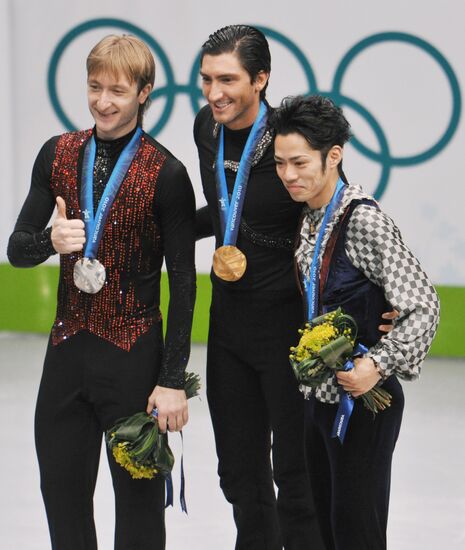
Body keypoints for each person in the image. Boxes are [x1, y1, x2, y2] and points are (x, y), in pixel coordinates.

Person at [194, 24, 395, 550]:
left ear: (261, 80)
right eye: (206, 79)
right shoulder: (206, 129)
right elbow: (224, 206)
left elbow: (339, 218)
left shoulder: (288, 144)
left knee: (297, 479)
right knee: (238, 474)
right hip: (228, 325)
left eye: (228, 79)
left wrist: (382, 305)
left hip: (288, 328)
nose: (215, 93)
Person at [7, 34, 196, 550]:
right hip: (67, 353)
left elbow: (183, 283)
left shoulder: (167, 173)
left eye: (117, 90)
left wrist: (172, 379)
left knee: (138, 516)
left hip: (134, 358)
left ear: (145, 93)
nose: (103, 101)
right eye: (95, 87)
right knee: (62, 499)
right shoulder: (59, 153)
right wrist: (51, 240)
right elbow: (16, 249)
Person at [268, 94, 440, 550]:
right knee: (324, 530)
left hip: (363, 405)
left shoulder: (363, 220)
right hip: (318, 400)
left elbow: (424, 305)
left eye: (300, 162)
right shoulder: (311, 217)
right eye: (280, 163)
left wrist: (377, 366)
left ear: (334, 156)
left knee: (355, 531)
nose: (288, 175)